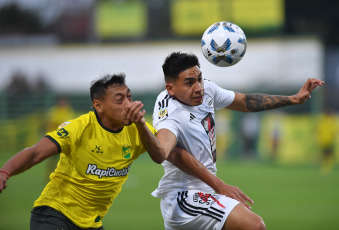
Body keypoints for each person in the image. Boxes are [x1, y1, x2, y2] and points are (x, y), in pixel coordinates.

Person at [152, 52, 324, 230]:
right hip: (184, 197)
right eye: (189, 83)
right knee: (254, 226)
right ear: (170, 89)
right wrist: (220, 185)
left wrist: (293, 99)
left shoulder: (206, 91)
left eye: (199, 79)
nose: (198, 88)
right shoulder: (170, 115)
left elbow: (244, 102)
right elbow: (169, 153)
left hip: (202, 193)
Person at [0, 73, 174, 229]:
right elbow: (35, 153)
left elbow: (159, 156)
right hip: (54, 214)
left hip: (91, 222)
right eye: (119, 99)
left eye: (129, 97)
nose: (128, 104)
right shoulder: (79, 128)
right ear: (98, 106)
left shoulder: (138, 128)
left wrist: (142, 124)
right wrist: (4, 172)